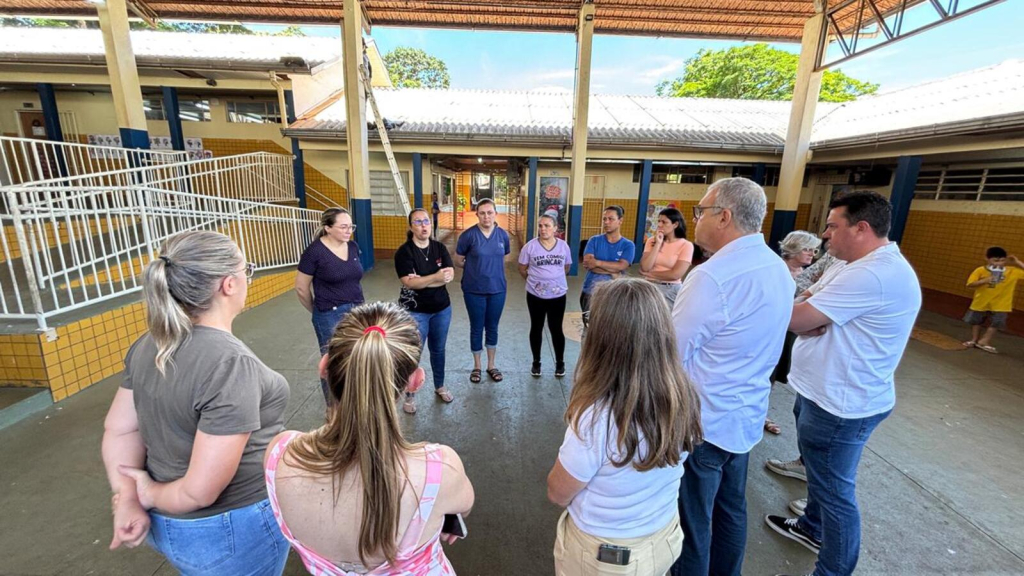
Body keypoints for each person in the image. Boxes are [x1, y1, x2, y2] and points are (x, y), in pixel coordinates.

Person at [102, 231, 290, 575]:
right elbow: (199, 492)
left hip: (174, 528)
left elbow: (119, 430)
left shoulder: (149, 344)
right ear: (228, 284)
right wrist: (146, 493)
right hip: (230, 529)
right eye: (246, 271)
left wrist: (127, 496)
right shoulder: (231, 364)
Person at [766, 191, 921, 576]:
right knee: (822, 479)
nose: (825, 234)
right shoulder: (848, 264)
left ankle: (832, 569)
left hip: (841, 405)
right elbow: (806, 301)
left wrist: (805, 318)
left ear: (861, 228)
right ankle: (811, 526)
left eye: (833, 226)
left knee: (835, 494)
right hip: (821, 392)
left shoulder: (873, 274)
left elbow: (797, 318)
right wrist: (807, 316)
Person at [264, 301, 475, 575]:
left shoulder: (279, 454)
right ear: (415, 381)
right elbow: (463, 507)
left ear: (325, 367)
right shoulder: (441, 470)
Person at [669, 178, 794, 576]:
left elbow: (671, 352)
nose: (696, 219)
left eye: (700, 212)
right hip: (744, 417)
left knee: (691, 522)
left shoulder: (713, 276)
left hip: (702, 423)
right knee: (731, 510)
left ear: (724, 216)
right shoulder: (777, 268)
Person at [547, 278, 703, 575]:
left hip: (607, 556)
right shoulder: (683, 393)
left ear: (604, 339)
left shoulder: (596, 415)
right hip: (664, 536)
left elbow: (558, 492)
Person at [296, 207, 365, 406]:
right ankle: (334, 409)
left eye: (351, 226)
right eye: (343, 227)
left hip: (357, 310)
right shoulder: (314, 252)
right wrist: (317, 311)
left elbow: (353, 277)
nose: (348, 230)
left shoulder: (352, 246)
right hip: (329, 314)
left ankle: (354, 403)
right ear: (328, 228)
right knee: (333, 363)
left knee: (357, 358)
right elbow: (301, 288)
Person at [395, 208, 456, 415]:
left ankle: (440, 385)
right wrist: (435, 278)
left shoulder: (439, 248)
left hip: (441, 309)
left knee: (438, 350)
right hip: (415, 311)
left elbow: (449, 275)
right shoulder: (404, 252)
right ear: (411, 227)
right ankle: (410, 394)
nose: (423, 226)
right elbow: (409, 283)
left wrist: (423, 280)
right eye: (418, 222)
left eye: (426, 221)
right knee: (413, 353)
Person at [765, 230, 822, 435]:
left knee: (776, 373)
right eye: (807, 249)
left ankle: (762, 411)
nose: (811, 254)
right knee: (766, 372)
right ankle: (759, 413)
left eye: (814, 250)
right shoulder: (777, 270)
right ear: (793, 248)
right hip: (773, 329)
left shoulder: (808, 273)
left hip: (791, 331)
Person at [455, 198, 511, 384]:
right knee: (477, 326)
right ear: (477, 214)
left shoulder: (502, 235)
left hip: (497, 289)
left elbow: (504, 256)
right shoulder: (468, 236)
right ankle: (477, 366)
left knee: (493, 326)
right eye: (482, 213)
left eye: (490, 212)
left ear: (495, 214)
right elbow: (458, 260)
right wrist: (475, 268)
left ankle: (491, 365)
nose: (486, 216)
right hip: (474, 289)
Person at [518, 214, 573, 378]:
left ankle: (560, 362)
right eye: (540, 226)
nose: (543, 229)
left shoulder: (563, 246)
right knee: (536, 327)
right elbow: (522, 268)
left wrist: (554, 280)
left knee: (556, 328)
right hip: (535, 296)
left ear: (555, 228)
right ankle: (536, 362)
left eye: (547, 225)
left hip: (558, 296)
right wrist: (536, 282)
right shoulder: (529, 247)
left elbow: (567, 267)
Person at [580, 206, 636, 332]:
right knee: (589, 331)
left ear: (620, 221)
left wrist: (598, 263)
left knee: (612, 332)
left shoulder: (628, 245)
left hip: (615, 294)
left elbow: (622, 266)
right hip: (590, 292)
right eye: (604, 219)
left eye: (611, 219)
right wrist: (614, 271)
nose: (606, 222)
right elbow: (589, 265)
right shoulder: (594, 240)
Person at [962, 247, 1023, 354]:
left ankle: (984, 340)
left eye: (1002, 260)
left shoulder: (1011, 271)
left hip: (1002, 303)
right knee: (976, 321)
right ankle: (974, 340)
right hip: (981, 301)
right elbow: (970, 284)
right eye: (995, 260)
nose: (999, 263)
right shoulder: (980, 270)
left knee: (998, 321)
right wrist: (985, 280)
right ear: (987, 259)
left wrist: (1017, 262)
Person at [639, 207, 694, 305]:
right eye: (659, 221)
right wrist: (658, 244)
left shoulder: (686, 245)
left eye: (664, 222)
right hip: (649, 286)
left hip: (670, 289)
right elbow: (645, 267)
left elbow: (675, 274)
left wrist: (649, 274)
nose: (659, 225)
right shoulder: (651, 241)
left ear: (675, 224)